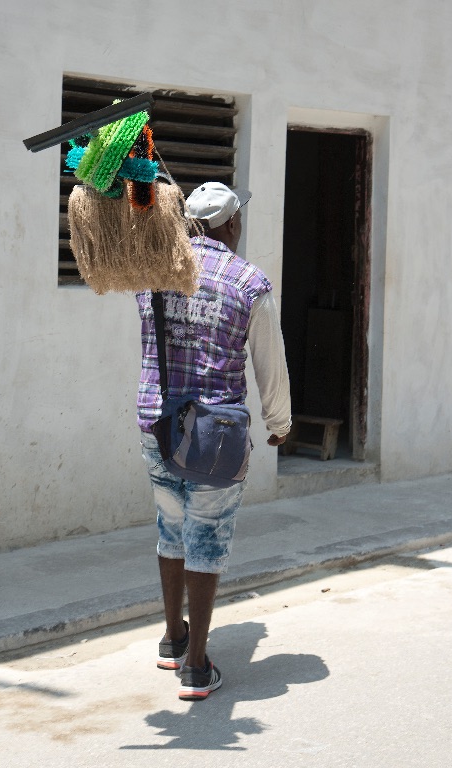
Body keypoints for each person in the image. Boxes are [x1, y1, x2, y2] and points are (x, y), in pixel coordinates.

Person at [136, 181, 291, 700]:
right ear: (231, 224)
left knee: (170, 528)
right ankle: (197, 667)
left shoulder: (154, 273)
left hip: (158, 425)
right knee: (206, 538)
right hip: (214, 435)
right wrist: (279, 422)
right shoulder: (248, 281)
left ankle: (173, 638)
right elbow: (270, 361)